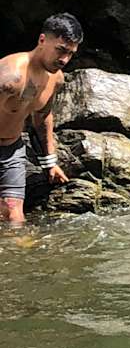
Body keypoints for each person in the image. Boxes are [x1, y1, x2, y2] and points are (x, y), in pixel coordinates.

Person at [0, 13, 83, 225]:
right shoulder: (11, 76)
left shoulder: (56, 79)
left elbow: (43, 116)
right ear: (42, 40)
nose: (64, 59)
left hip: (11, 149)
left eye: (70, 54)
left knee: (14, 216)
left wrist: (50, 163)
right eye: (61, 50)